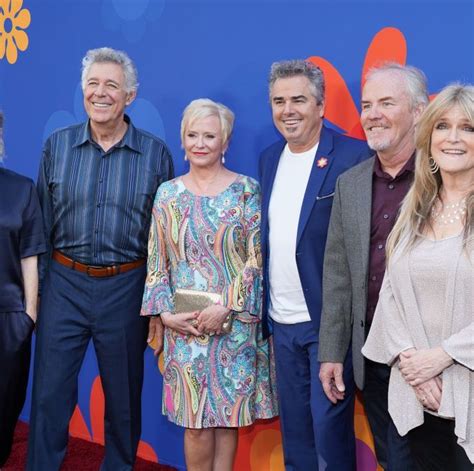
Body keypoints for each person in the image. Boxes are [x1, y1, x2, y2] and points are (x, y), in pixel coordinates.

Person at [27, 47, 174, 471]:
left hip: (126, 289)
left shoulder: (155, 155)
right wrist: (40, 294)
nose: (101, 93)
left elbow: (160, 241)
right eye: (93, 83)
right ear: (82, 91)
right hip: (64, 285)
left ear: (130, 95)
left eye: (112, 85)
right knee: (50, 394)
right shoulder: (57, 146)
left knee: (124, 398)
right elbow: (42, 224)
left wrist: (157, 309)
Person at [141, 98, 278, 471]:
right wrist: (166, 315)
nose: (200, 143)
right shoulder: (167, 194)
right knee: (195, 425)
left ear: (225, 142)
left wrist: (228, 307)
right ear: (182, 142)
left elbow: (257, 259)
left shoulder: (247, 191)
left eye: (210, 135)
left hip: (233, 326)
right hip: (184, 327)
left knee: (227, 419)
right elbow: (157, 261)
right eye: (192, 135)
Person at [259, 59, 370, 470]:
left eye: (299, 100)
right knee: (297, 437)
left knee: (329, 437)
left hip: (327, 324)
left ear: (321, 106)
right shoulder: (269, 158)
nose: (288, 110)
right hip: (280, 323)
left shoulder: (353, 156)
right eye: (278, 101)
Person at [318, 62, 428, 469]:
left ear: (418, 112)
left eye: (386, 102)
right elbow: (338, 276)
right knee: (391, 459)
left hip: (432, 364)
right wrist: (331, 352)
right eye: (366, 104)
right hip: (375, 363)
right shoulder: (351, 183)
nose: (372, 113)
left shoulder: (448, 178)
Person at [362, 83, 473, 470]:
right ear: (429, 137)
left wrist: (441, 358)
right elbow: (390, 296)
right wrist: (412, 363)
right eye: (442, 126)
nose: (454, 138)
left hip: (468, 395)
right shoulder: (414, 209)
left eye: (468, 128)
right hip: (412, 393)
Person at [0, 112, 46, 468]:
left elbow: (30, 253)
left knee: (5, 405)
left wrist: (29, 314)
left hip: (9, 317)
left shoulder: (21, 188)